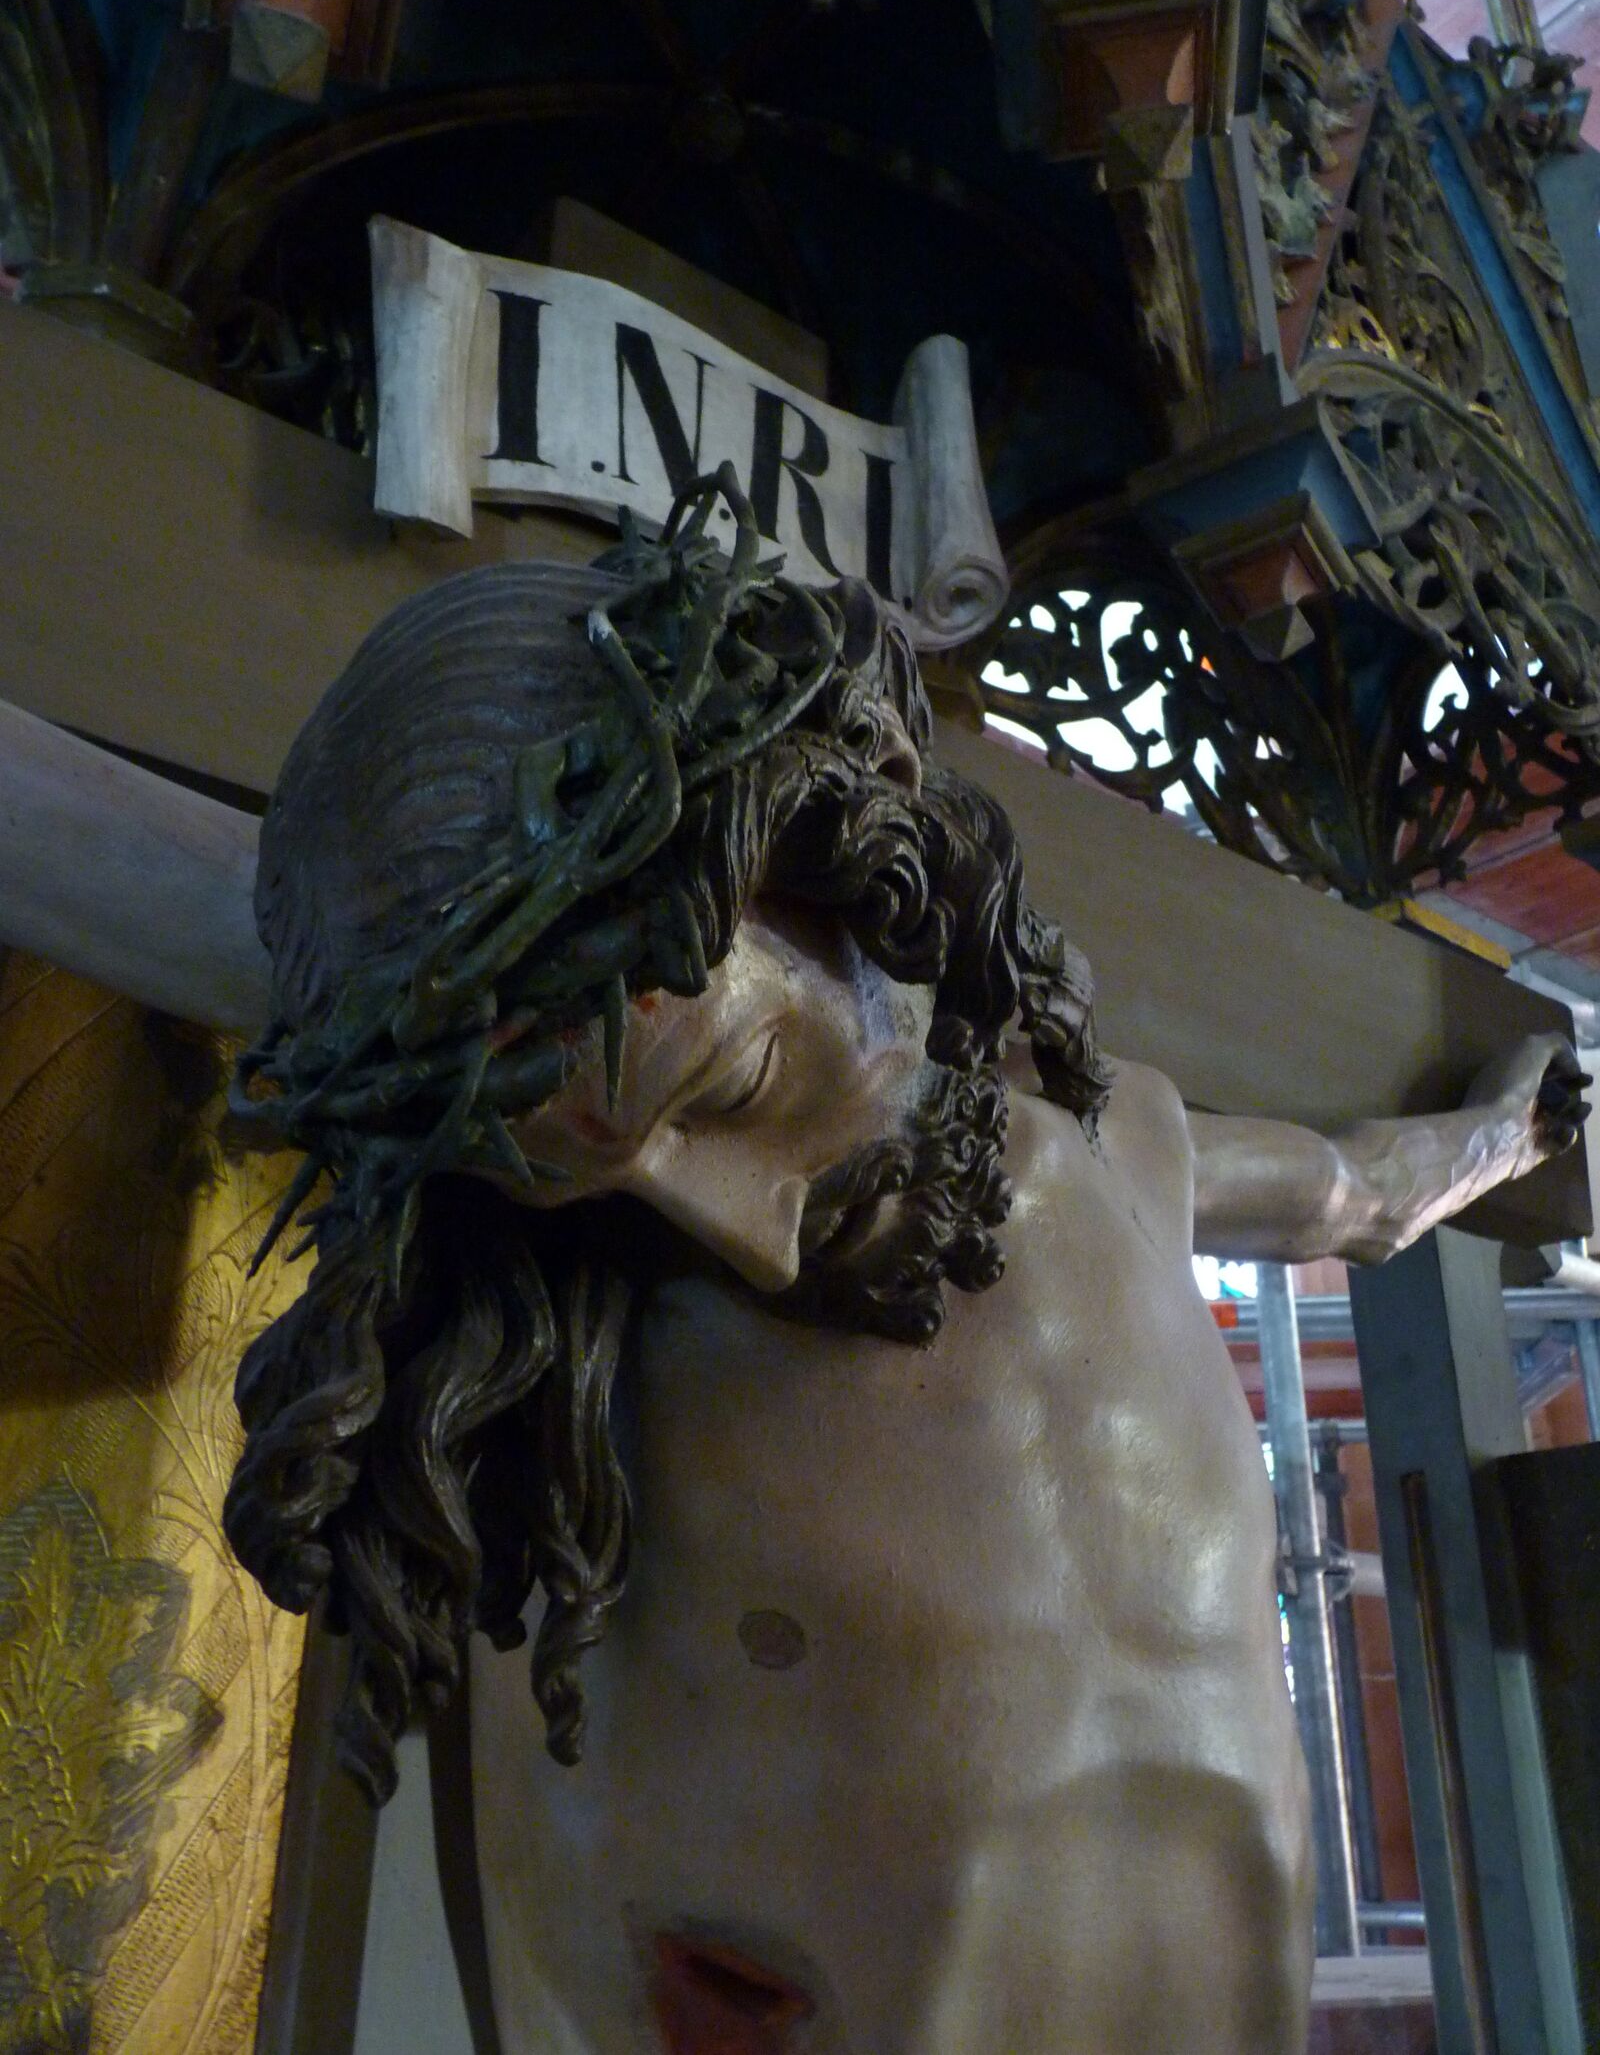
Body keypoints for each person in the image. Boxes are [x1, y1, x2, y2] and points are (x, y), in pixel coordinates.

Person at [224, 471, 1585, 2055]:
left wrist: (1514, 1134)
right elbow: (565, 1900)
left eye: (731, 1082)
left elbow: (1356, 1192)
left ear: (831, 853)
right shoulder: (597, 1372)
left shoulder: (1127, 1142)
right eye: (613, 1170)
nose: (745, 1225)